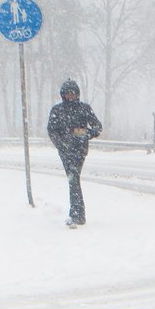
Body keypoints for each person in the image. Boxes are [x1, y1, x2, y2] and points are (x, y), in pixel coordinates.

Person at [46, 79, 102, 228]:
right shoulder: (57, 110)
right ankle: (77, 214)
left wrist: (85, 134)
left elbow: (97, 126)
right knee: (73, 180)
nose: (70, 96)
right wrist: (61, 144)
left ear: (77, 94)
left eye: (73, 93)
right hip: (65, 151)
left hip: (80, 150)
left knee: (73, 179)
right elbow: (51, 131)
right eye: (68, 93)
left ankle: (77, 215)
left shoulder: (84, 109)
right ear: (63, 95)